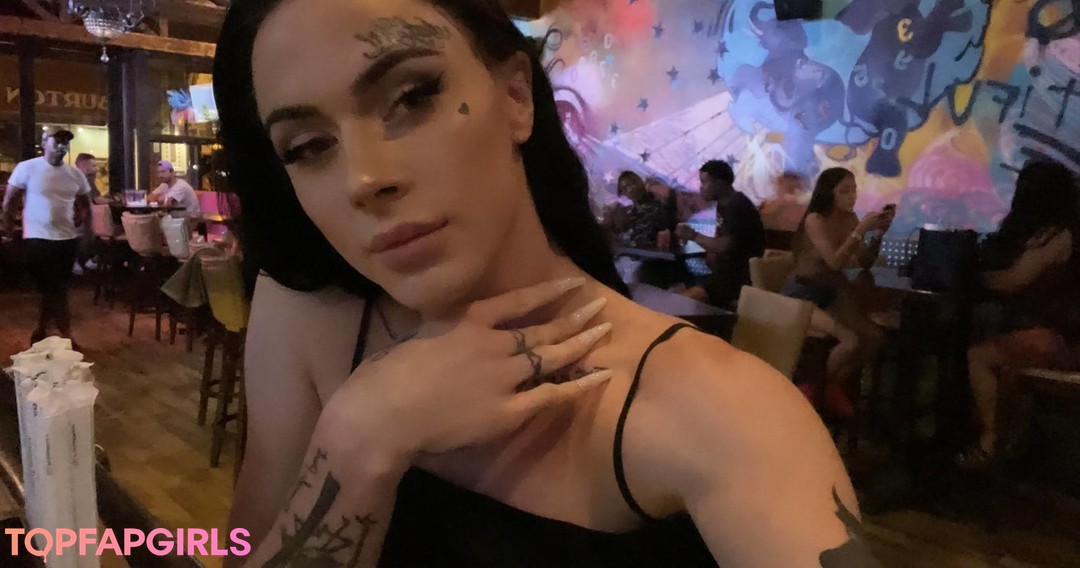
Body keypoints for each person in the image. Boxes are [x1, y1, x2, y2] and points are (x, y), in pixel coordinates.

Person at [214, 1, 879, 566]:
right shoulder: (306, 316)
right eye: (308, 147)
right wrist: (358, 440)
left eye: (412, 97)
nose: (364, 179)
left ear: (516, 97)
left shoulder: (723, 413)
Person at [958, 160, 1080, 468]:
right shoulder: (1065, 231)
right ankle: (1015, 441)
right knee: (1006, 357)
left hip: (1063, 340)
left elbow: (1014, 280)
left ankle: (989, 442)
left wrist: (974, 275)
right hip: (1062, 333)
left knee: (979, 356)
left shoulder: (1056, 237)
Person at [779, 168, 891, 417]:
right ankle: (812, 391)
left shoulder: (850, 219)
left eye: (854, 190)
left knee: (873, 338)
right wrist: (860, 230)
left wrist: (877, 235)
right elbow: (835, 262)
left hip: (831, 289)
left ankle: (826, 386)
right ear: (829, 193)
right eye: (844, 191)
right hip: (802, 292)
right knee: (850, 341)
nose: (852, 196)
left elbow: (864, 262)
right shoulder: (815, 219)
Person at [1, 128, 93, 346]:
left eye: (65, 143)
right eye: (57, 141)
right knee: (56, 286)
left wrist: (86, 231)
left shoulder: (75, 174)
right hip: (37, 237)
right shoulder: (27, 168)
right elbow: (9, 201)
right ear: (44, 143)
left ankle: (41, 329)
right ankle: (66, 334)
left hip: (67, 238)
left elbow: (85, 205)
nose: (62, 146)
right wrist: (8, 229)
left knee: (54, 287)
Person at [676, 160, 765, 308]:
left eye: (704, 182)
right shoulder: (724, 205)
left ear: (719, 183)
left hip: (737, 278)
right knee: (678, 282)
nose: (701, 187)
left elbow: (724, 246)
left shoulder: (738, 205)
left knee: (679, 302)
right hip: (723, 273)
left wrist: (692, 235)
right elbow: (718, 244)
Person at [610, 171, 669, 249]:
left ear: (639, 182)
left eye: (631, 184)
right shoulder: (630, 213)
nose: (629, 189)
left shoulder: (657, 205)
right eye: (624, 189)